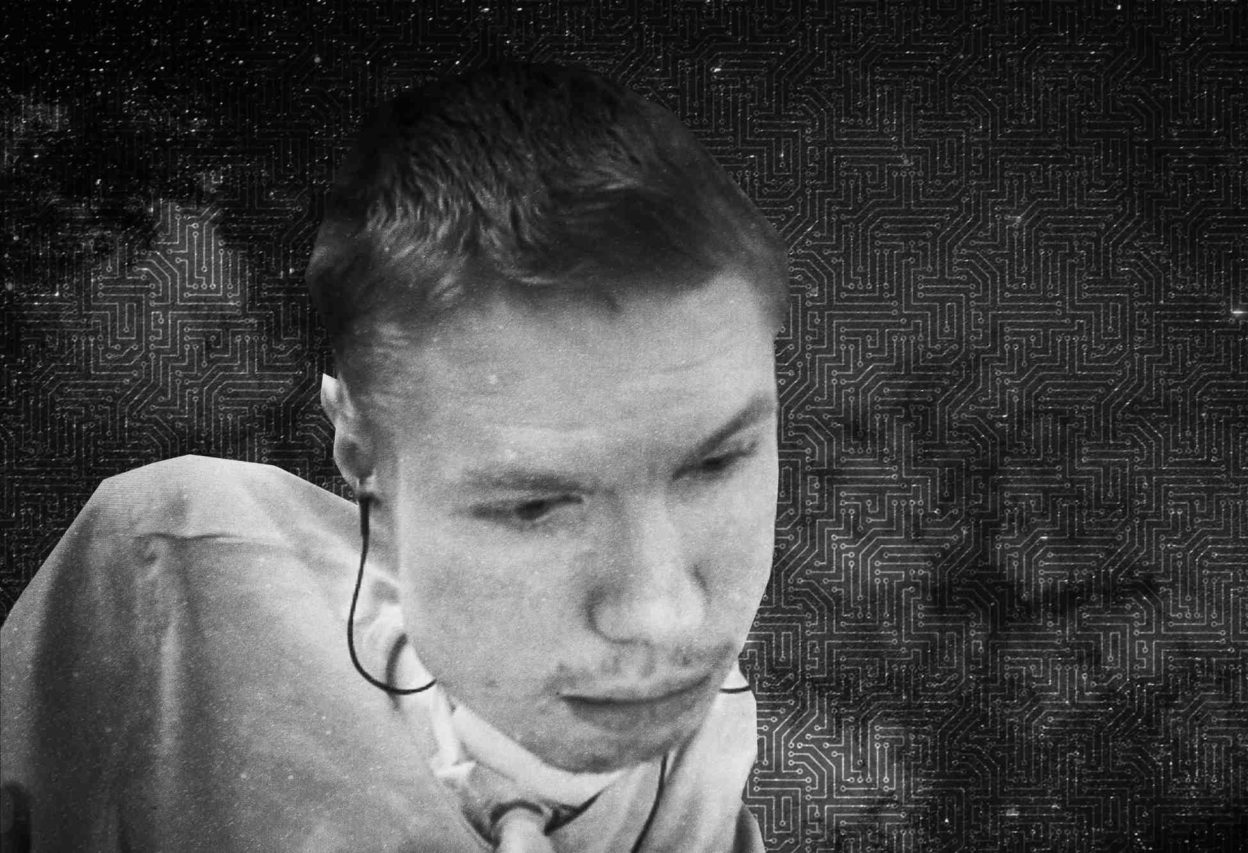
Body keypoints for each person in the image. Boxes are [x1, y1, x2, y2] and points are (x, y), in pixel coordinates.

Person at [0, 62, 788, 852]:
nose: (663, 612)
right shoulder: (172, 570)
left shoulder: (706, 719)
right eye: (533, 506)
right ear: (358, 447)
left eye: (715, 465)